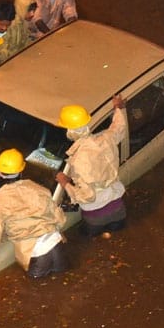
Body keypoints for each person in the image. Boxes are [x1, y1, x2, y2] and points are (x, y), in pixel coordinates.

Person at [0, 149, 69, 281]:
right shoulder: (39, 189)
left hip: (36, 255)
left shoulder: (0, 199)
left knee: (35, 287)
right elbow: (60, 219)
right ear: (21, 170)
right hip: (58, 246)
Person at [54, 95, 129, 237]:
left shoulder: (78, 160)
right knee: (120, 236)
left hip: (95, 218)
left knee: (88, 238)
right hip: (119, 209)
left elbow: (88, 196)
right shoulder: (106, 138)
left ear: (69, 131)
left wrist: (65, 183)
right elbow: (118, 128)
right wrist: (118, 108)